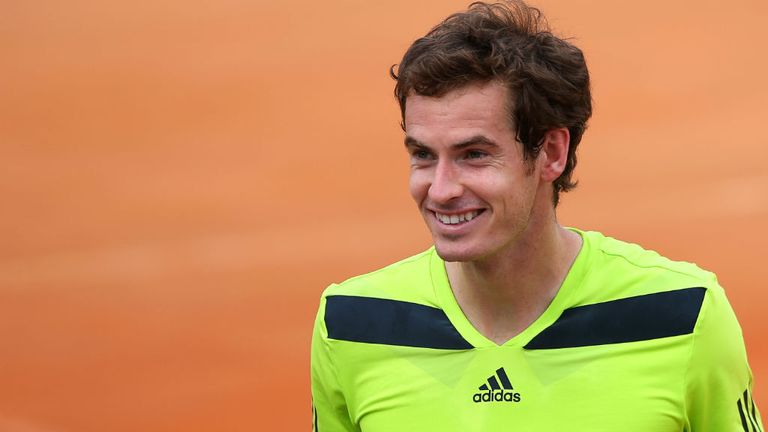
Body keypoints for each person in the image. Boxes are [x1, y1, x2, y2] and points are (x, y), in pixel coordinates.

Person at [310, 1, 762, 430]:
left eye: (474, 154)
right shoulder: (351, 325)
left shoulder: (682, 316)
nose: (441, 189)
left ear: (550, 153)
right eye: (424, 155)